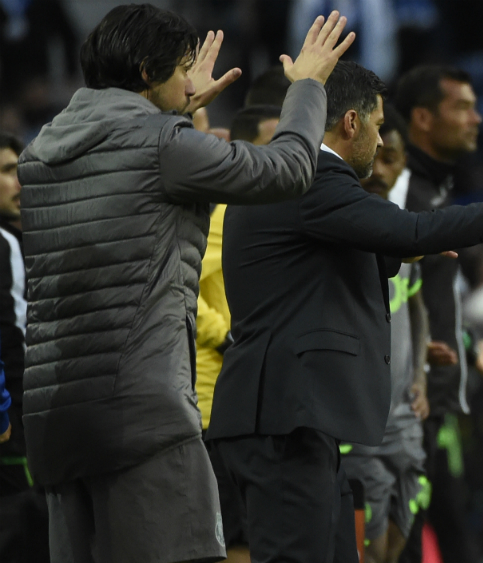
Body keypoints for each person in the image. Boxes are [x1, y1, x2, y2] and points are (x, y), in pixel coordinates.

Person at [206, 60, 483, 563]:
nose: (380, 140)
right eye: (376, 126)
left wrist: (400, 255)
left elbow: (321, 264)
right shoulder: (314, 177)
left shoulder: (289, 178)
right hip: (284, 418)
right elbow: (411, 230)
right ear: (351, 123)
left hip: (294, 418)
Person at [15, 5, 356, 562]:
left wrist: (175, 107)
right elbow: (289, 170)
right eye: (180, 71)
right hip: (142, 415)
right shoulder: (163, 145)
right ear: (147, 72)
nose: (191, 84)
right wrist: (307, 88)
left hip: (55, 421)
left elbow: (129, 171)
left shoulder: (40, 153)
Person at [393, 65, 483, 563]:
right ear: (423, 118)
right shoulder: (399, 192)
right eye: (462, 107)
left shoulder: (433, 190)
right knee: (401, 545)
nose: (477, 118)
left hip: (436, 401)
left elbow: (434, 299)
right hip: (407, 402)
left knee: (451, 535)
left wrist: (471, 346)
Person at [340, 106, 430, 563]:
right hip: (361, 423)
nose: (380, 170)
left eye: (390, 159)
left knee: (399, 540)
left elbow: (416, 306)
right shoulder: (343, 225)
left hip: (406, 419)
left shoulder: (403, 227)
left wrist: (421, 377)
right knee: (369, 548)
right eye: (376, 157)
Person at [196, 104, 283, 563]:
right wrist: (227, 338)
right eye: (273, 147)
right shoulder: (230, 215)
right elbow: (180, 284)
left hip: (255, 400)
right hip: (219, 402)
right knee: (237, 537)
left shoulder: (268, 214)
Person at [0, 131, 41, 562]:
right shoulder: (7, 244)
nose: (19, 183)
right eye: (8, 171)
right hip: (12, 421)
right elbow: (14, 337)